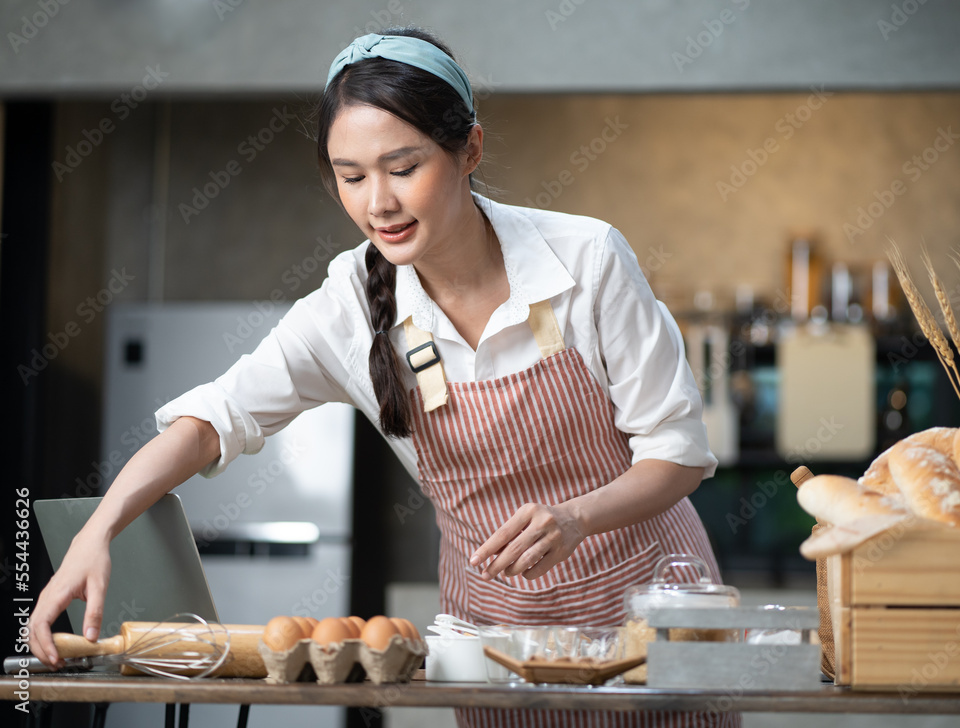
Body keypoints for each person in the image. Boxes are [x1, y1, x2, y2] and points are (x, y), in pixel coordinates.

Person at [30, 27, 738, 728]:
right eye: (352, 176)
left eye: (403, 168)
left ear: (471, 150)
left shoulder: (585, 259)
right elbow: (214, 419)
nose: (379, 203)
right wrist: (101, 527)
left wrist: (577, 515)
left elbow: (676, 455)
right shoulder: (347, 306)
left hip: (654, 613)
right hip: (491, 640)